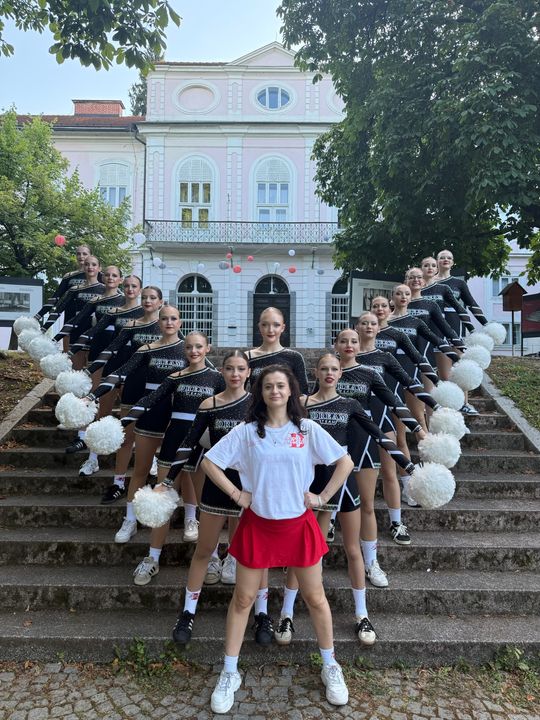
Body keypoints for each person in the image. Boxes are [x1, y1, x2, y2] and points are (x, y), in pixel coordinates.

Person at [201, 364, 353, 713]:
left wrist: (322, 496)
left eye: (281, 385)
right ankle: (229, 672)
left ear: (291, 391)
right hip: (258, 524)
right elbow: (210, 462)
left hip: (298, 525)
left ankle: (330, 665)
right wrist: (237, 494)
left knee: (315, 598)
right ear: (260, 392)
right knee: (243, 599)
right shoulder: (246, 433)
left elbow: (344, 462)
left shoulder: (308, 429)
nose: (275, 391)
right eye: (268, 386)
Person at [274, 353, 417, 648]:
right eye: (324, 368)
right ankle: (286, 613)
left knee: (353, 549)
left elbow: (378, 434)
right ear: (316, 372)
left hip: (343, 478)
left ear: (341, 373)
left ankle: (362, 614)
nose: (329, 373)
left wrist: (409, 465)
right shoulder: (302, 404)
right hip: (311, 480)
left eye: (334, 369)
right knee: (302, 550)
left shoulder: (350, 404)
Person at [158, 350, 251, 642]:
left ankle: (258, 613)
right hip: (215, 483)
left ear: (248, 372)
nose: (235, 374)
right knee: (203, 549)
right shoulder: (209, 404)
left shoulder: (257, 405)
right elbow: (189, 443)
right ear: (221, 372)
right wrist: (169, 480)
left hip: (247, 487)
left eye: (241, 369)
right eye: (230, 368)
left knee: (245, 553)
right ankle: (187, 612)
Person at [121, 331, 225, 584]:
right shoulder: (174, 377)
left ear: (207, 348)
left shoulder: (217, 379)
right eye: (189, 347)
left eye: (198, 346)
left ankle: (213, 557)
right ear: (184, 350)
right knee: (162, 502)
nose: (194, 351)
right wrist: (121, 421)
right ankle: (152, 558)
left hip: (202, 448)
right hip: (172, 444)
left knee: (206, 506)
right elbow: (150, 400)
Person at [333, 329, 425, 587]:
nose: (349, 345)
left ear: (359, 344)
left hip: (363, 441)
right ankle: (309, 563)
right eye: (343, 340)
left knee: (368, 505)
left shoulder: (369, 373)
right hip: (333, 447)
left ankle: (372, 562)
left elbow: (394, 401)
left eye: (353, 341)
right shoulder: (329, 370)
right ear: (335, 345)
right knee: (323, 508)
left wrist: (419, 429)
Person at [86, 305, 187, 513]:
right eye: (164, 319)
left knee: (181, 471)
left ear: (180, 323)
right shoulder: (146, 349)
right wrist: (92, 395)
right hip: (150, 412)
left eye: (173, 318)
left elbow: (209, 377)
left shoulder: (188, 349)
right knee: (140, 469)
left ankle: (186, 516)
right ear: (158, 323)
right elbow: (121, 373)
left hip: (177, 415)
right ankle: (130, 519)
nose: (169, 323)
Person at [354, 312, 438, 546]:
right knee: (345, 472)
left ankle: (396, 522)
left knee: (389, 471)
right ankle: (331, 519)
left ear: (378, 328)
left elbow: (409, 382)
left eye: (372, 323)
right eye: (364, 323)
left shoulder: (385, 357)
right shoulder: (346, 356)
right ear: (357, 327)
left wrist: (434, 404)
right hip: (354, 422)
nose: (368, 326)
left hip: (382, 416)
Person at [436, 249, 489, 414]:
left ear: (453, 262)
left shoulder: (459, 284)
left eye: (449, 258)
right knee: (445, 375)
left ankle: (464, 403)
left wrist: (487, 325)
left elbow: (472, 304)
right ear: (437, 261)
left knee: (460, 369)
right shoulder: (429, 283)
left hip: (456, 329)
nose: (445, 260)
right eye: (442, 257)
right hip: (437, 331)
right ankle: (449, 405)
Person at [420, 256, 472, 382]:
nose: (430, 268)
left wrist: (473, 330)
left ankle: (463, 395)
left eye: (433, 265)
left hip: (445, 333)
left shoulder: (444, 289)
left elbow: (460, 308)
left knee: (454, 373)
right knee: (431, 376)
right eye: (426, 265)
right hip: (423, 336)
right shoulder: (414, 290)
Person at [247, 307, 309, 394]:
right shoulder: (247, 357)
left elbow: (302, 393)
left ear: (283, 328)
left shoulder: (295, 357)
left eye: (276, 325)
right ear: (259, 327)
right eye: (265, 325)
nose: (270, 330)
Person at [41, 255, 105, 337]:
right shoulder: (75, 289)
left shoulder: (106, 290)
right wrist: (43, 329)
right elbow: (58, 310)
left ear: (99, 268)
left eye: (94, 264)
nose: (90, 267)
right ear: (83, 267)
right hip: (77, 329)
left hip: (98, 333)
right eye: (87, 264)